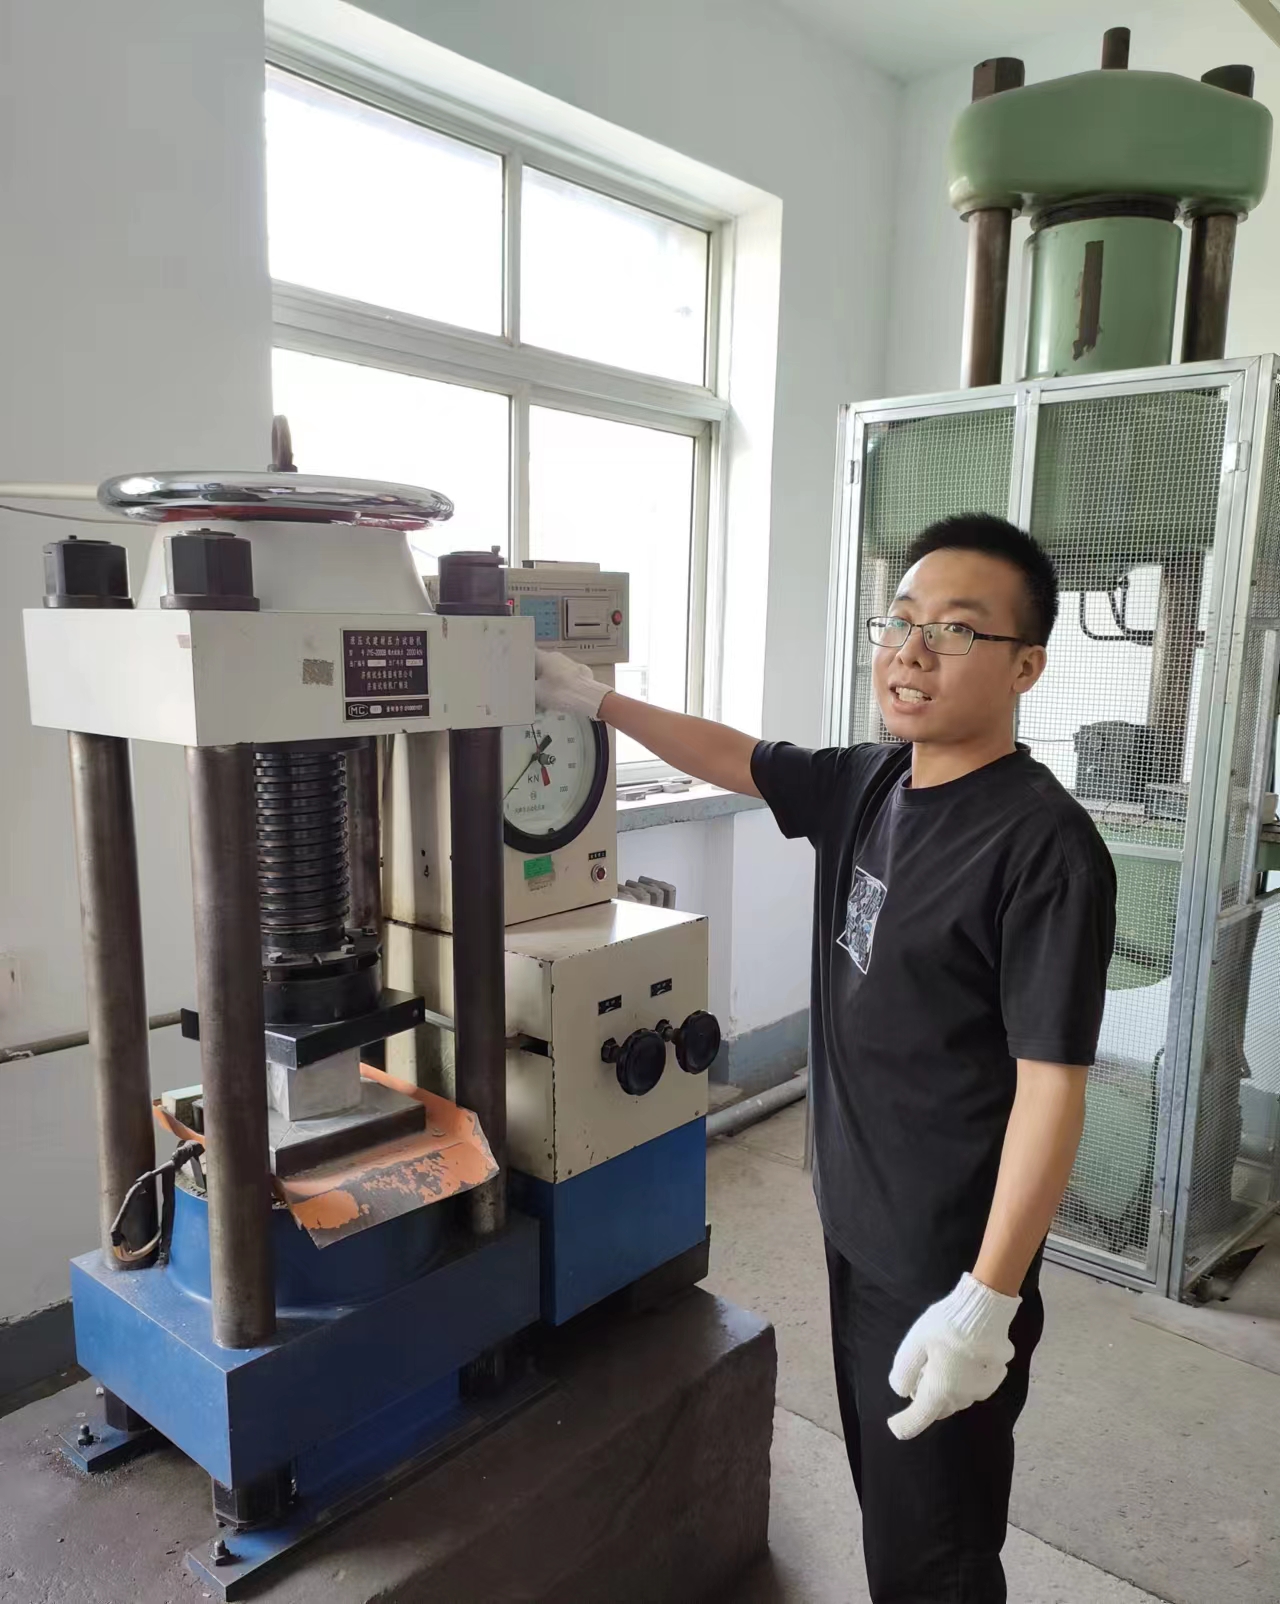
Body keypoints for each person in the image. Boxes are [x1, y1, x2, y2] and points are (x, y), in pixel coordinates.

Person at [533, 513, 1117, 1603]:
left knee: (932, 1553)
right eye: (899, 621)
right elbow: (735, 755)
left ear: (1025, 667)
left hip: (944, 1259)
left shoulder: (1042, 847)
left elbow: (1051, 1090)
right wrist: (593, 699)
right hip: (856, 1227)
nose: (911, 652)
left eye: (956, 630)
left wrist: (986, 1300)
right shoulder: (873, 781)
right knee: (889, 1507)